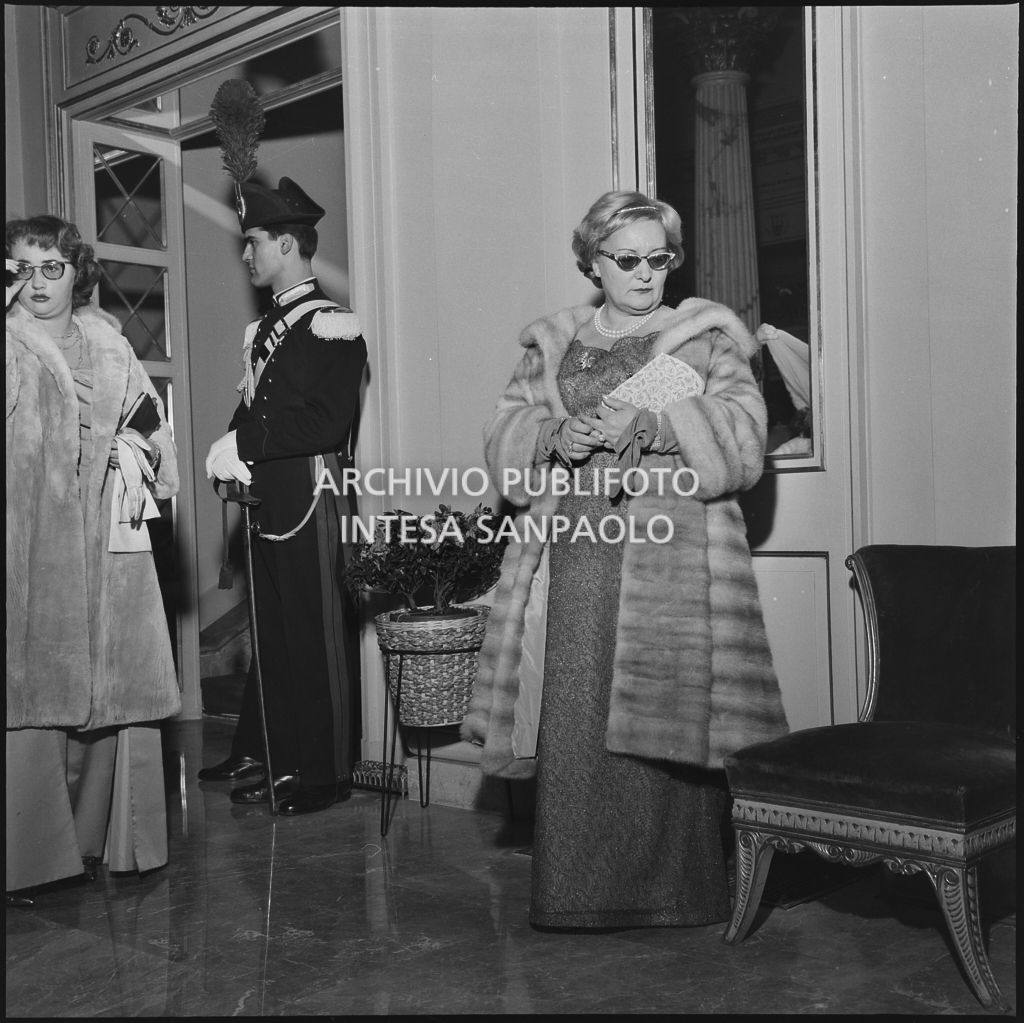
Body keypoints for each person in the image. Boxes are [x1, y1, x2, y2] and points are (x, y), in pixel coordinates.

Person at [462, 190, 790, 930]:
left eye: (660, 258)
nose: (647, 274)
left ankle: (678, 892)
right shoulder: (553, 342)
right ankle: (575, 894)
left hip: (668, 554)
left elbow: (746, 435)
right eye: (628, 259)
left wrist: (662, 420)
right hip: (575, 545)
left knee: (665, 715)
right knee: (577, 710)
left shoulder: (702, 336)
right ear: (592, 261)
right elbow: (504, 426)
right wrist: (551, 439)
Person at [6, 216, 181, 900]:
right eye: (20, 267)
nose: (37, 282)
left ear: (77, 271)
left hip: (112, 539)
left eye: (52, 267)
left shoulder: (108, 344)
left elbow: (153, 429)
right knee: (33, 685)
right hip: (30, 541)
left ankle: (108, 843)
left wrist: (139, 452)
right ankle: (32, 858)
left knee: (118, 688)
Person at [201, 176, 367, 817]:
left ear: (289, 244)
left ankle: (325, 773)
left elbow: (326, 424)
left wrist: (249, 439)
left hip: (313, 498)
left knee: (316, 635)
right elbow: (259, 410)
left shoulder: (330, 323)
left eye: (254, 242)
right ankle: (285, 760)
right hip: (271, 497)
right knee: (275, 638)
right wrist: (234, 448)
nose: (246, 256)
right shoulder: (266, 329)